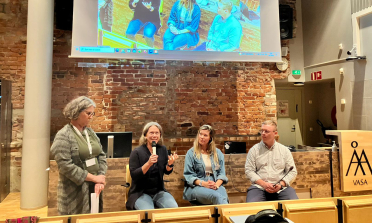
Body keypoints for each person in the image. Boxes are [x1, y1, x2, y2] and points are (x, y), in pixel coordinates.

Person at [51, 96, 107, 215]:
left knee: (94, 216)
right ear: (76, 112)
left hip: (95, 187)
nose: (91, 117)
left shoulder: (90, 132)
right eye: (88, 113)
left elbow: (101, 155)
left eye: (93, 113)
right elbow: (65, 166)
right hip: (74, 191)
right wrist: (93, 178)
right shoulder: (63, 135)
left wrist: (100, 179)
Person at [126, 122, 179, 210]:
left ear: (160, 135)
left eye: (157, 133)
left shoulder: (163, 149)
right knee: (149, 213)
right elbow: (134, 175)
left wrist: (170, 164)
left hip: (159, 191)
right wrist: (148, 163)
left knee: (174, 209)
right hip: (140, 192)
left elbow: (167, 171)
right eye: (151, 133)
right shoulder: (137, 152)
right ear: (145, 135)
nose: (154, 135)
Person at [245, 120, 298, 202]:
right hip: (259, 187)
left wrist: (281, 184)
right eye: (262, 131)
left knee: (294, 204)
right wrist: (264, 184)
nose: (263, 133)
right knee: (252, 207)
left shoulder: (284, 150)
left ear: (275, 133)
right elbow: (249, 171)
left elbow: (292, 172)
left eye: (266, 131)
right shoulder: (254, 150)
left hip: (281, 188)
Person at [183, 125, 229, 205]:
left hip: (214, 183)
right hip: (197, 185)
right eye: (200, 134)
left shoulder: (217, 153)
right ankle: (229, 216)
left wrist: (216, 185)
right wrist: (204, 184)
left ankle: (221, 217)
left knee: (224, 196)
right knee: (216, 197)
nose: (202, 137)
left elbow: (221, 173)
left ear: (210, 138)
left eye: (205, 135)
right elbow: (189, 176)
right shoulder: (191, 153)